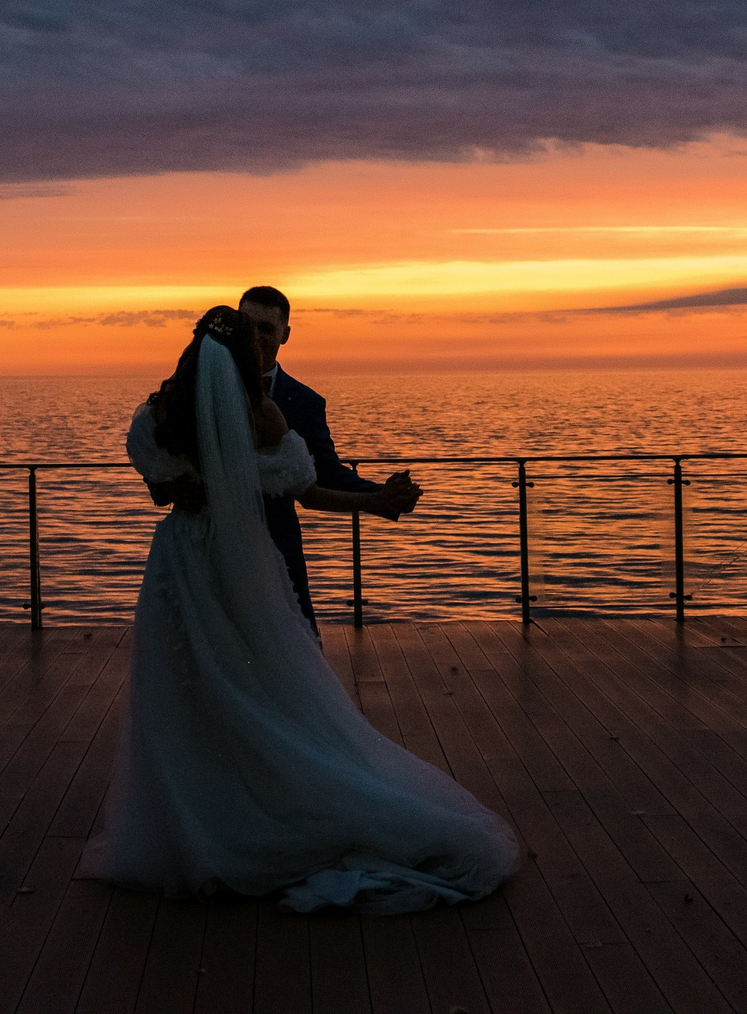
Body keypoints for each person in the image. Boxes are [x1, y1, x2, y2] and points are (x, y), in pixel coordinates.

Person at [79, 309, 520, 912]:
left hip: (180, 559)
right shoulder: (262, 418)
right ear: (239, 356)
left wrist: (187, 490)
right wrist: (378, 503)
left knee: (183, 688)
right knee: (261, 686)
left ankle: (200, 814)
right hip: (240, 560)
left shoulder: (158, 414)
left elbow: (159, 482)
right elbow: (306, 489)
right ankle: (261, 802)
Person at [138, 287, 420, 626]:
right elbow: (158, 453)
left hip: (276, 547)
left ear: (285, 334)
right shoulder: (186, 397)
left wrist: (382, 496)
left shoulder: (304, 402)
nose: (256, 337)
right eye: (249, 326)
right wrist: (166, 490)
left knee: (296, 640)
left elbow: (324, 474)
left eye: (267, 329)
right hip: (202, 550)